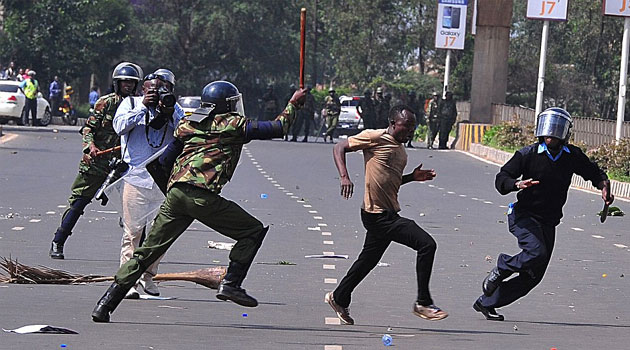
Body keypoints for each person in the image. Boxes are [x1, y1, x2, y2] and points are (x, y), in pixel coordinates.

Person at [91, 81, 306, 323]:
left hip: (175, 195)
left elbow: (162, 163)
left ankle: (105, 305)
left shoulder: (188, 124)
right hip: (201, 196)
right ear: (226, 105)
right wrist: (293, 104)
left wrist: (175, 194)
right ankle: (231, 283)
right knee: (252, 231)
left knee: (145, 254)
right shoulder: (232, 125)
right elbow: (278, 127)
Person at [473, 108, 613, 321]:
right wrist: (517, 184)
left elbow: (594, 173)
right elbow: (502, 178)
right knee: (536, 253)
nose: (551, 134)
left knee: (533, 276)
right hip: (523, 216)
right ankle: (502, 266)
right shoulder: (527, 154)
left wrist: (604, 187)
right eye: (548, 128)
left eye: (556, 129)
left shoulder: (572, 156)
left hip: (549, 221)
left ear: (564, 133)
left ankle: (486, 302)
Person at [325, 105, 448, 325]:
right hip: (377, 215)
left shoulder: (401, 150)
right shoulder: (375, 137)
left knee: (367, 261)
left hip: (387, 211)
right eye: (406, 126)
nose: (409, 131)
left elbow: (389, 180)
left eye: (412, 127)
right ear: (393, 123)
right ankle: (423, 302)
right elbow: (339, 147)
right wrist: (344, 176)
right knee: (427, 244)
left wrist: (412, 177)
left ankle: (339, 297)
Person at [49, 63, 141, 259]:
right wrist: (90, 147)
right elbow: (88, 129)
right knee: (78, 203)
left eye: (132, 83)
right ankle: (58, 241)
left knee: (134, 209)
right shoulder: (105, 102)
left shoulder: (139, 105)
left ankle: (138, 255)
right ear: (117, 83)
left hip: (123, 167)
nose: (128, 86)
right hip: (96, 163)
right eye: (125, 82)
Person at [112, 68, 185, 298]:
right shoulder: (131, 104)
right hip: (136, 178)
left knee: (159, 234)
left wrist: (169, 110)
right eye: (153, 88)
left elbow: (185, 131)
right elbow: (119, 127)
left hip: (163, 180)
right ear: (143, 88)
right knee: (133, 232)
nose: (158, 92)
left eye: (164, 88)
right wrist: (144, 105)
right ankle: (128, 280)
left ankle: (149, 277)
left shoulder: (175, 107)